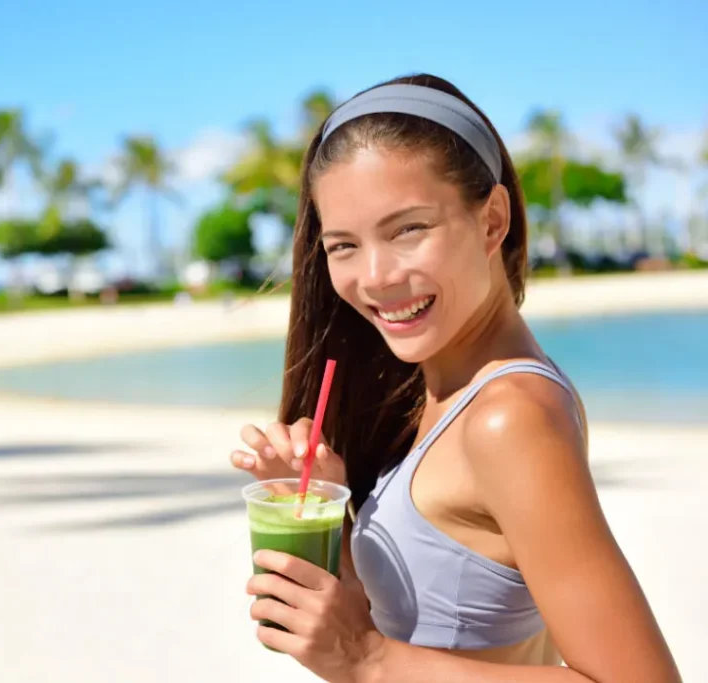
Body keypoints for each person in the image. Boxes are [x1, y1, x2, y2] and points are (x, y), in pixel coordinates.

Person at [229, 73, 681, 682]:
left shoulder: (508, 415)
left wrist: (367, 659)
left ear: (493, 220)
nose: (375, 276)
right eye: (343, 246)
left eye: (408, 229)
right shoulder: (440, 392)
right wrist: (329, 518)